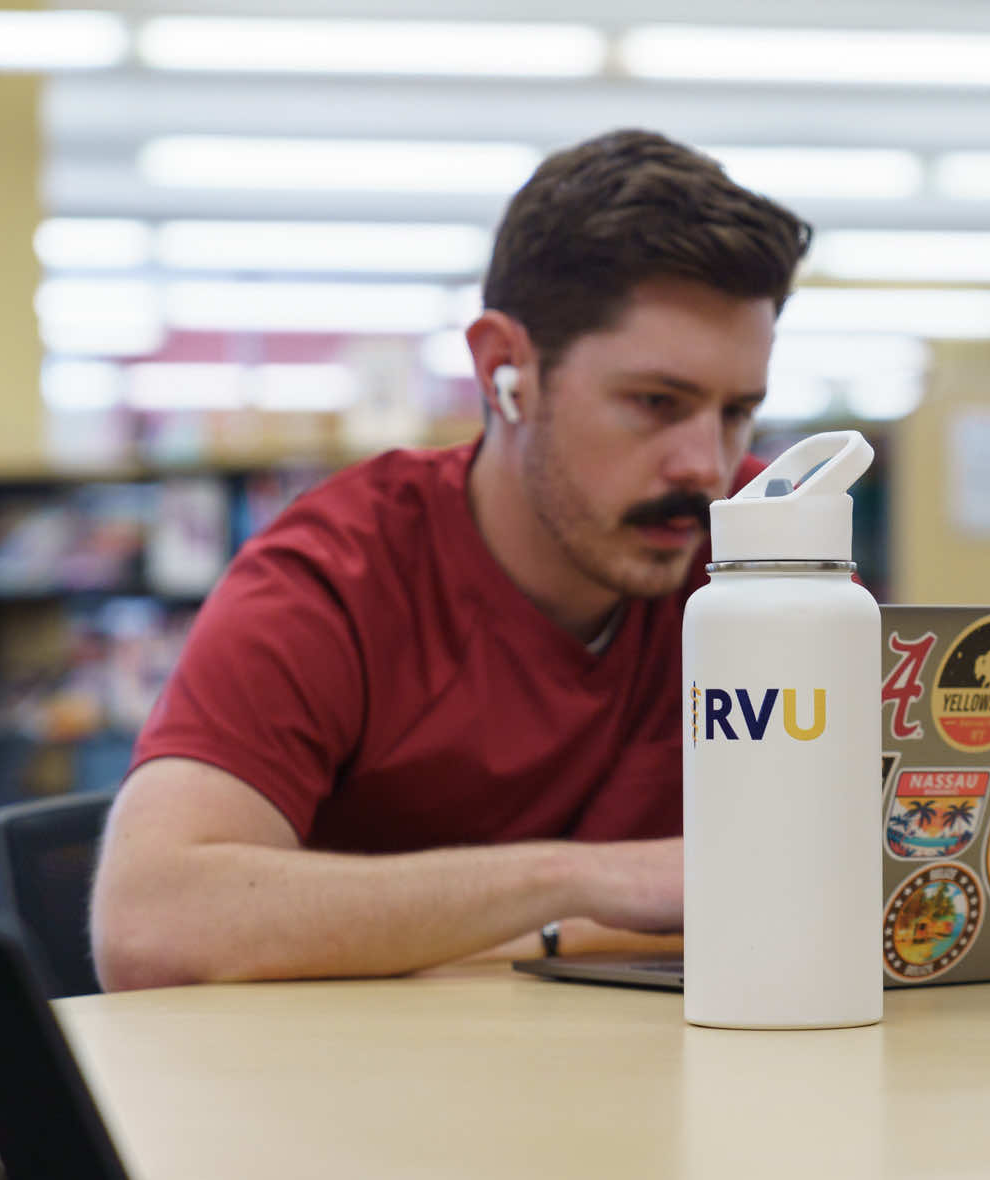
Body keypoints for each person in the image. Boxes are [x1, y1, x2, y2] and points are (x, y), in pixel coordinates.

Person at [89, 130, 812, 990]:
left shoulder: (774, 557)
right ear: (506, 371)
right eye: (656, 402)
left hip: (674, 1087)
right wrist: (589, 883)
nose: (706, 465)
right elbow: (150, 924)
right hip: (355, 1103)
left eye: (737, 412)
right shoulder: (337, 577)